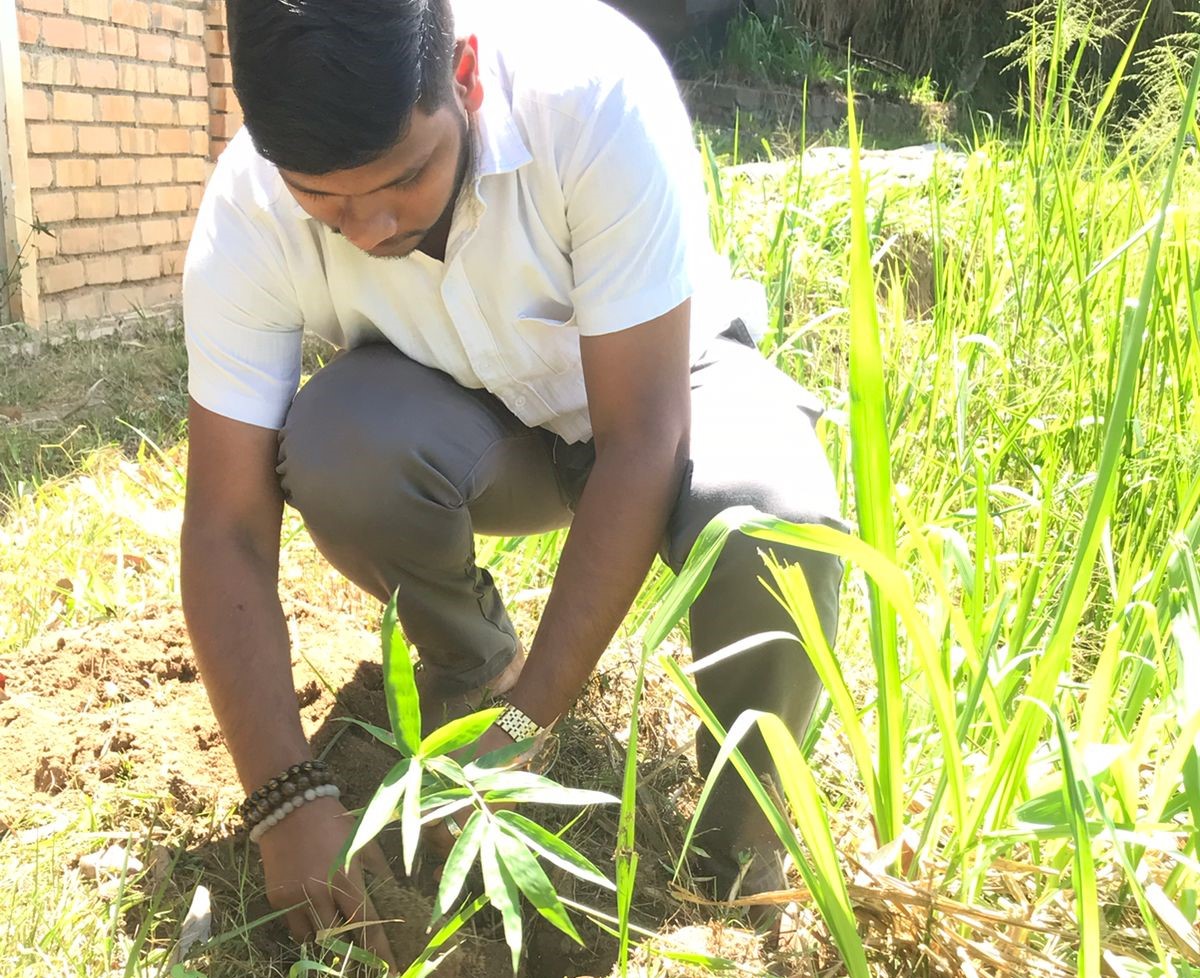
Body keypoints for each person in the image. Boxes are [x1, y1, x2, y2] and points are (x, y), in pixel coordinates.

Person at [181, 0, 843, 967]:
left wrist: (539, 715)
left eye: (405, 177)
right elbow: (225, 527)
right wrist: (283, 791)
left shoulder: (592, 93)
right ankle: (473, 667)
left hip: (669, 389)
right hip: (475, 421)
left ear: (466, 76)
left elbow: (642, 437)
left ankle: (740, 833)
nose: (371, 225)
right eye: (324, 199)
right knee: (334, 442)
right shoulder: (248, 212)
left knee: (770, 526)